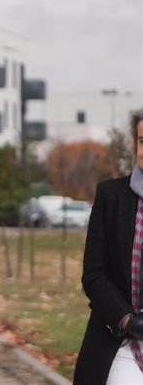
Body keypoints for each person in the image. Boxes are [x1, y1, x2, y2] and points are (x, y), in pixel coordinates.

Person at [74, 108, 143, 384]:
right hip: (120, 339)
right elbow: (94, 274)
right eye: (142, 140)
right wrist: (126, 319)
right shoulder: (111, 195)